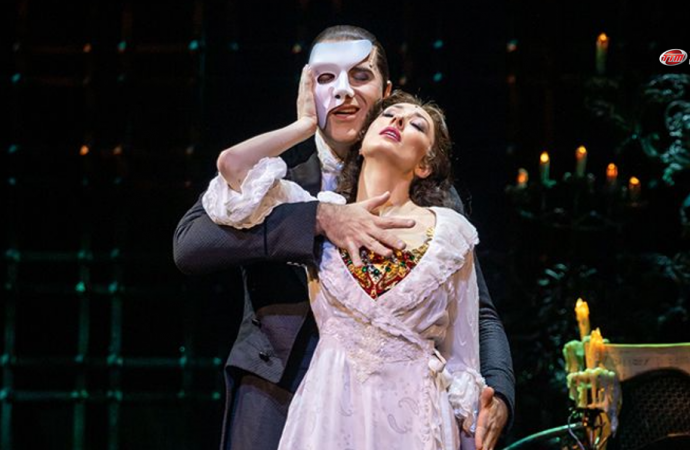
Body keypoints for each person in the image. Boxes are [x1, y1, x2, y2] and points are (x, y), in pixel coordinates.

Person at [173, 25, 514, 450]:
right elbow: (192, 244)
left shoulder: (432, 202)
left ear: (386, 93)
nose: (344, 92)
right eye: (326, 78)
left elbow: (476, 311)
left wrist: (499, 392)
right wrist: (319, 218)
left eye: (360, 76)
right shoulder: (278, 174)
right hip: (278, 395)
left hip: (397, 409)